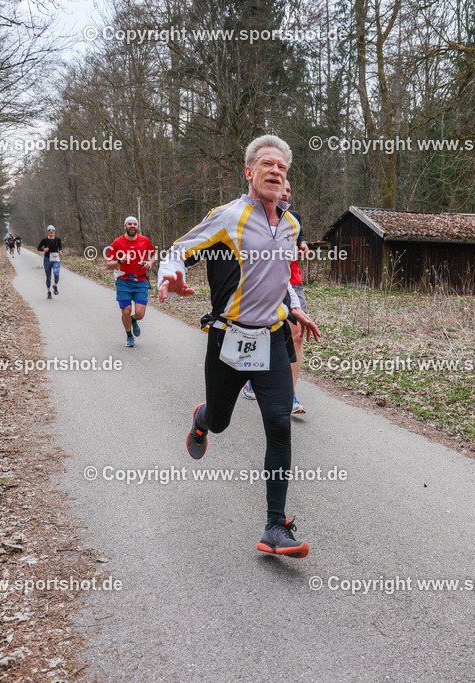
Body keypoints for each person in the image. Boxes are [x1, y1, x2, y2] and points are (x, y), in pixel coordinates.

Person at [158, 134, 320, 558]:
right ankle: (202, 417)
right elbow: (178, 250)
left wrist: (295, 307)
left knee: (279, 423)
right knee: (222, 420)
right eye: (267, 164)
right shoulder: (229, 216)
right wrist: (170, 277)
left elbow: (284, 275)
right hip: (228, 338)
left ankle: (275, 526)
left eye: (281, 167)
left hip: (272, 337)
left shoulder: (291, 223)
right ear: (249, 173)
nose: (275, 171)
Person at [242, 179, 309, 415]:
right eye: (283, 189)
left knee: (297, 334)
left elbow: (300, 237)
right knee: (264, 330)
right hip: (263, 280)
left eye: (289, 190)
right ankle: (253, 375)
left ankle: (288, 395)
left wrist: (303, 245)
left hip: (293, 281)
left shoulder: (294, 217)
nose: (286, 193)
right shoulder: (252, 216)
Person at [106, 216, 156, 348]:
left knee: (140, 313)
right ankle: (129, 335)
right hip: (124, 280)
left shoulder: (144, 240)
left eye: (134, 224)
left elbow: (153, 255)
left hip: (141, 280)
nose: (132, 226)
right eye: (129, 224)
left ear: (137, 227)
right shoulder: (117, 242)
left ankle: (134, 320)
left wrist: (149, 263)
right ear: (125, 226)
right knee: (126, 311)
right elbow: (108, 265)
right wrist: (120, 261)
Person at [37, 226, 62, 299]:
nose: (51, 231)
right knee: (48, 277)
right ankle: (48, 292)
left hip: (56, 260)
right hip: (47, 259)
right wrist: (43, 250)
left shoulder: (58, 239)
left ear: (54, 231)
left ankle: (55, 285)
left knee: (56, 274)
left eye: (53, 230)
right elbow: (38, 248)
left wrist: (60, 251)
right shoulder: (44, 240)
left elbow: (60, 247)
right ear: (48, 231)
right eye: (50, 230)